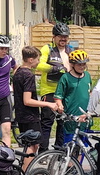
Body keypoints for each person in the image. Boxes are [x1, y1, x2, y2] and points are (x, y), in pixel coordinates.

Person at [13, 46, 57, 158]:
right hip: (30, 116)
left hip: (20, 114)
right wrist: (48, 104)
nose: (38, 62)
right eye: (38, 59)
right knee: (33, 145)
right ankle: (27, 168)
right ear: (31, 60)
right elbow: (27, 100)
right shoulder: (29, 75)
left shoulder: (18, 71)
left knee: (30, 144)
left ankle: (25, 167)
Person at [36, 22, 73, 150]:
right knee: (47, 123)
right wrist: (56, 68)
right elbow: (39, 64)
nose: (63, 39)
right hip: (50, 91)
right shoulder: (47, 48)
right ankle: (43, 152)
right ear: (54, 37)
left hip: (66, 91)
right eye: (60, 36)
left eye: (65, 36)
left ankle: (59, 151)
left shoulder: (71, 50)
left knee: (63, 123)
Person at [53, 49, 93, 145]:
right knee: (70, 146)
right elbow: (58, 97)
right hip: (71, 118)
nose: (82, 67)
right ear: (72, 64)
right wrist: (60, 105)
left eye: (84, 64)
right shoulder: (66, 78)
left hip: (85, 117)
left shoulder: (87, 76)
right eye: (79, 64)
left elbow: (90, 93)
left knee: (83, 147)